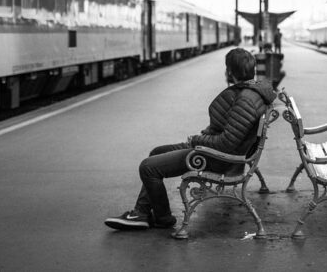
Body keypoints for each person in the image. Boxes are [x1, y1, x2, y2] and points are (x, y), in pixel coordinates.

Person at [105, 47, 276, 231]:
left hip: (218, 159)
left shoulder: (245, 99)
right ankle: (142, 213)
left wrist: (197, 141)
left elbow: (227, 144)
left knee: (148, 167)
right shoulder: (253, 92)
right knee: (157, 152)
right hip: (221, 153)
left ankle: (162, 218)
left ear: (230, 71)